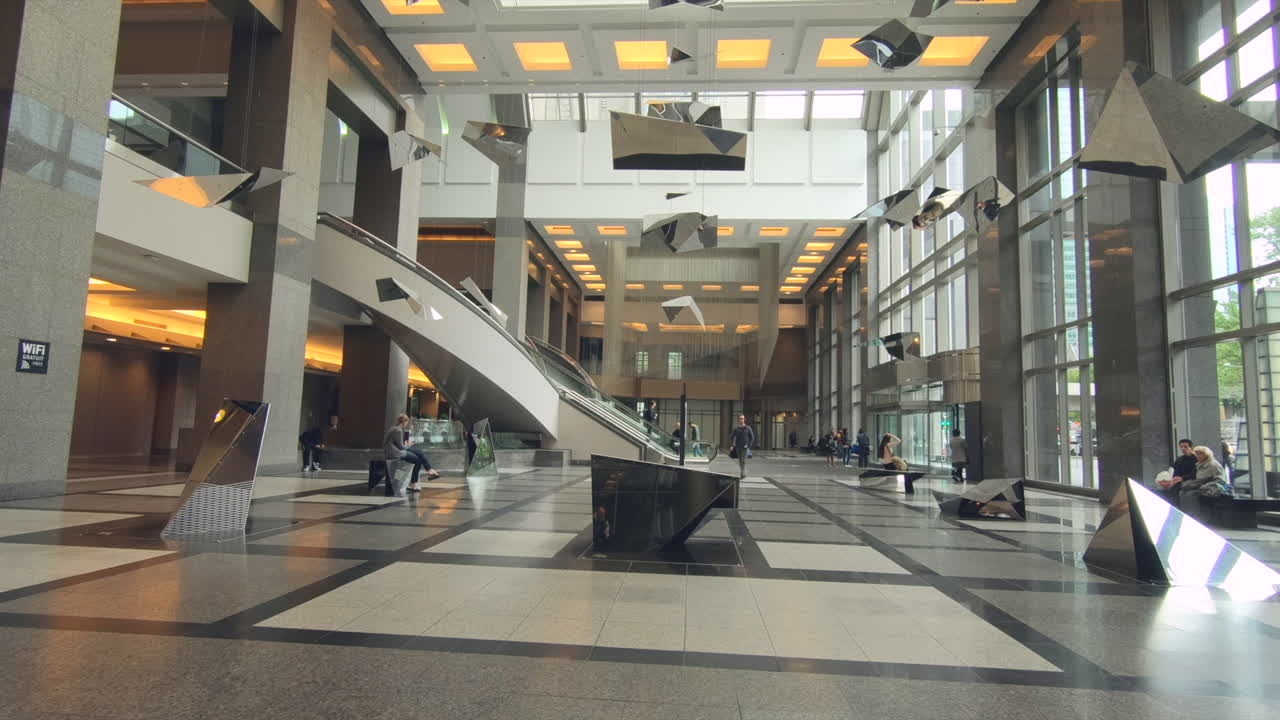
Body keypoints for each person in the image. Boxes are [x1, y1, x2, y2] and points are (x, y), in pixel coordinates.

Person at [384, 414, 439, 493]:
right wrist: (409, 444)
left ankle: (429, 470)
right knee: (418, 459)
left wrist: (406, 444)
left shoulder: (394, 428)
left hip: (393, 451)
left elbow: (396, 444)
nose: (407, 424)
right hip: (395, 453)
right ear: (404, 422)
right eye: (407, 422)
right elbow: (401, 447)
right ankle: (415, 481)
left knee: (419, 452)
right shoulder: (398, 430)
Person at [1179, 445, 1231, 519]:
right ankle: (1185, 514)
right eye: (1197, 454)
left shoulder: (1213, 464)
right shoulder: (1199, 464)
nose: (1198, 456)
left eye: (1200, 453)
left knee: (1190, 494)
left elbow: (1221, 479)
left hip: (1211, 487)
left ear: (1207, 455)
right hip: (1200, 485)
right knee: (1182, 492)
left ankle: (1194, 516)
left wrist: (1207, 484)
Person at [1156, 438, 1197, 507]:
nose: (1183, 449)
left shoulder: (1196, 459)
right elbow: (1175, 471)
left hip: (1190, 481)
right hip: (1178, 481)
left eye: (1185, 446)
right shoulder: (1179, 459)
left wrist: (1182, 478)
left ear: (1191, 447)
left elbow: (1196, 473)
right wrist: (1172, 480)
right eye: (1181, 447)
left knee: (1175, 492)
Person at [730, 414, 755, 479]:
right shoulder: (736, 429)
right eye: (740, 418)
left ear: (744, 419)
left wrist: (748, 445)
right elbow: (731, 437)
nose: (742, 419)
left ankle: (742, 474)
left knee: (743, 460)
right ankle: (742, 472)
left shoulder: (748, 428)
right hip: (738, 447)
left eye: (743, 418)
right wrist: (732, 445)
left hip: (745, 448)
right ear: (739, 420)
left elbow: (752, 438)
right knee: (740, 461)